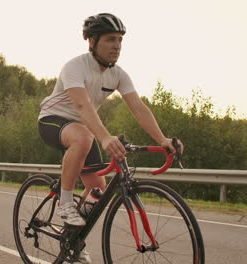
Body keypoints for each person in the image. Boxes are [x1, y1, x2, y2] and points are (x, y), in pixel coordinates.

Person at [37, 13, 183, 263]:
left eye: (120, 40)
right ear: (92, 41)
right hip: (53, 119)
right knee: (85, 137)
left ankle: (72, 239)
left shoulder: (118, 74)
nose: (116, 46)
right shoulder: (75, 66)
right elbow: (82, 106)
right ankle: (64, 203)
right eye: (110, 39)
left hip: (82, 129)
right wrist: (104, 138)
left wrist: (162, 140)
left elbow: (138, 108)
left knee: (97, 192)